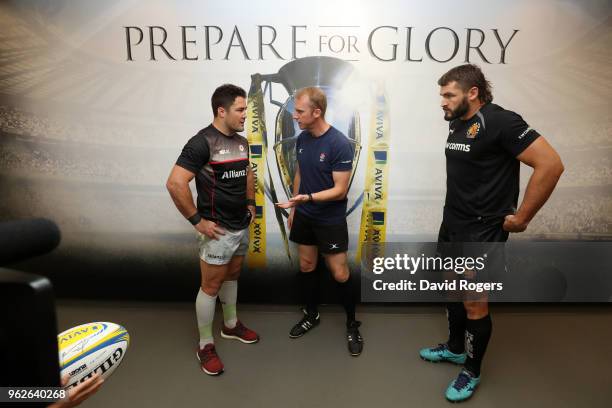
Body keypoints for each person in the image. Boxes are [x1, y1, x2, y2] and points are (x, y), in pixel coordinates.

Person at [418, 64, 564, 402]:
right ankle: (455, 348)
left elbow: (551, 164)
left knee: (474, 302)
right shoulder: (458, 122)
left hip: (482, 230)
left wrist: (523, 217)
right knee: (453, 289)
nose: (442, 101)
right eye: (442, 94)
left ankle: (471, 369)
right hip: (453, 222)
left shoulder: (501, 120)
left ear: (473, 93)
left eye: (448, 94)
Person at [166, 84, 259, 376]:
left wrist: (250, 202)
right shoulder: (201, 142)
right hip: (216, 230)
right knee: (211, 286)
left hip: (240, 225)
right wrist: (197, 221)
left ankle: (230, 325)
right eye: (241, 109)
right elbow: (175, 183)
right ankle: (205, 344)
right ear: (222, 110)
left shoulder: (242, 142)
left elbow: (246, 173)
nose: (246, 115)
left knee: (233, 274)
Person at [276, 86, 364, 356]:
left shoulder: (338, 143)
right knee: (306, 265)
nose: (294, 116)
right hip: (304, 214)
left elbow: (340, 190)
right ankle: (311, 314)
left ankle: (352, 323)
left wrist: (308, 198)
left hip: (329, 218)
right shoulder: (302, 139)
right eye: (294, 111)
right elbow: (300, 173)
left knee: (339, 273)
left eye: (299, 111)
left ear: (317, 112)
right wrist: (294, 206)